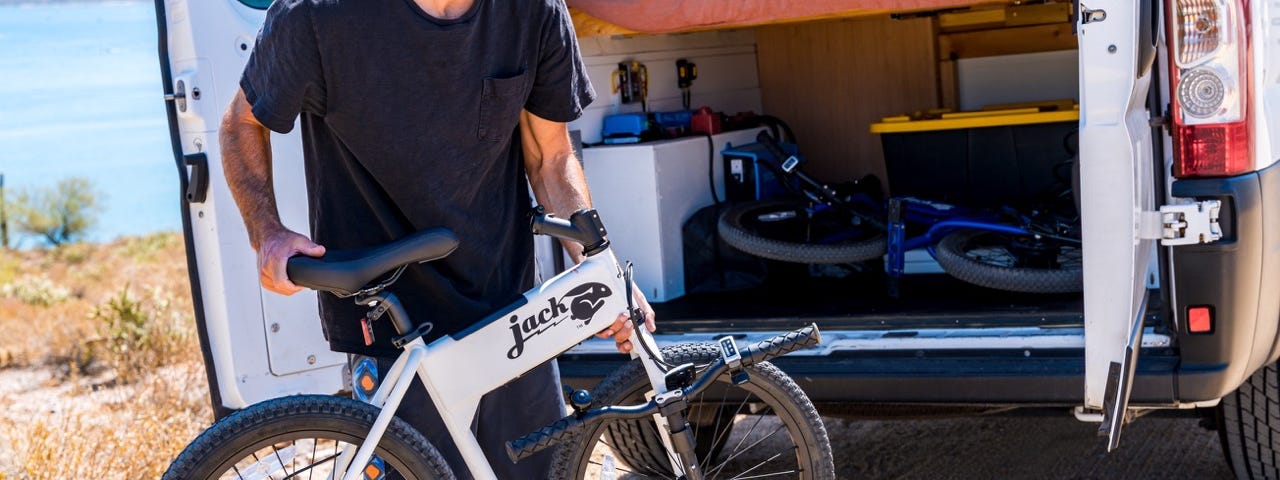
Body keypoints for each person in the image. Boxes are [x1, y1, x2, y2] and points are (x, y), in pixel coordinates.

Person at [219, 0, 655, 477]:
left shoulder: (532, 11)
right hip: (392, 318)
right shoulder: (319, 16)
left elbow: (550, 157)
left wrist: (600, 267)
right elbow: (242, 122)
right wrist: (269, 234)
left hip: (511, 311)